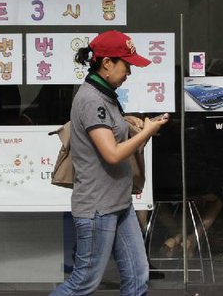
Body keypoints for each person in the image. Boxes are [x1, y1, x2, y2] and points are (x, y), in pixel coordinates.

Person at [50, 30, 169, 296]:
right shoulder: (91, 99)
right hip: (97, 208)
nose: (130, 71)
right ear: (107, 63)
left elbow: (111, 137)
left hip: (119, 203)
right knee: (83, 283)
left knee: (138, 278)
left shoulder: (106, 95)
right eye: (127, 64)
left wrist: (134, 127)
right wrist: (148, 132)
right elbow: (112, 154)